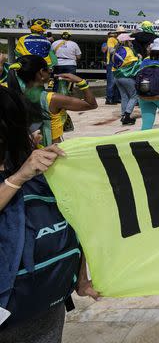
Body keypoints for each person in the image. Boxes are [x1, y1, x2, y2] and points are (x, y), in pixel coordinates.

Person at [0, 86, 99, 343]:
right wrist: (18, 178)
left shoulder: (41, 171)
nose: (35, 132)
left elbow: (74, 224)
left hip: (46, 302)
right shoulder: (25, 172)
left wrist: (81, 279)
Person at [6, 55, 98, 145]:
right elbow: (91, 104)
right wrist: (81, 82)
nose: (50, 72)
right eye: (49, 69)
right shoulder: (52, 99)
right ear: (41, 72)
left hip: (28, 152)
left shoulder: (12, 94)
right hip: (51, 152)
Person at [112, 33, 141, 125]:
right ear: (126, 41)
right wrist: (139, 58)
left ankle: (123, 115)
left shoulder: (116, 51)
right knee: (135, 95)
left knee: (124, 96)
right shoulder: (128, 50)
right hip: (126, 77)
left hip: (117, 77)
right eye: (129, 40)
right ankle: (127, 115)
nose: (131, 41)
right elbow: (134, 64)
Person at [103, 30, 120, 105]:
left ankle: (115, 98)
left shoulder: (117, 40)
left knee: (116, 81)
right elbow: (110, 50)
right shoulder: (111, 40)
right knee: (111, 81)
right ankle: (109, 98)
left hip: (116, 62)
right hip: (111, 62)